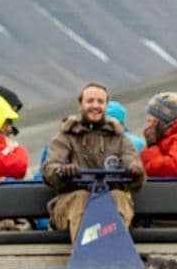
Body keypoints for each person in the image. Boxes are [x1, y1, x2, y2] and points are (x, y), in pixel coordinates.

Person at [41, 82, 145, 242]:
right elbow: (50, 167)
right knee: (81, 199)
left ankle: (114, 253)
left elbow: (132, 162)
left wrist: (134, 171)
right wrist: (62, 171)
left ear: (106, 105)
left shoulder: (119, 139)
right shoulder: (66, 137)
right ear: (80, 105)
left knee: (118, 198)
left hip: (109, 196)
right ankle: (86, 256)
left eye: (100, 102)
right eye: (90, 101)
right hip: (72, 200)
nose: (95, 106)